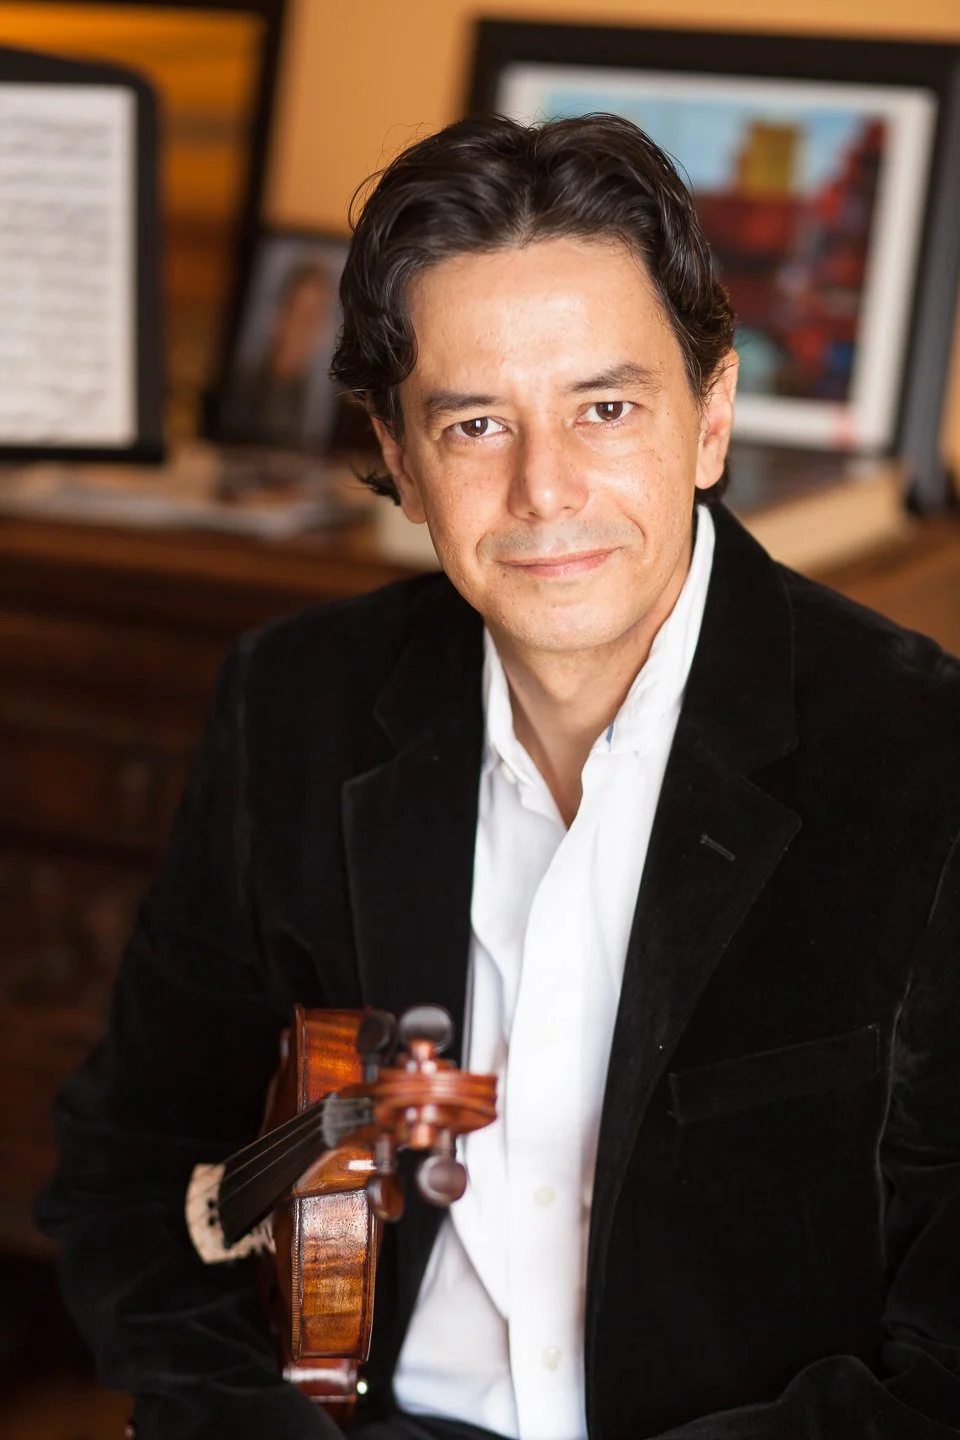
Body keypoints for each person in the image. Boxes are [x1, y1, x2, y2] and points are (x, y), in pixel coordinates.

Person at [37, 114, 960, 1440]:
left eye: (606, 408)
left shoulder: (926, 761)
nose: (545, 490)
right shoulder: (292, 704)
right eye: (476, 424)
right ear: (400, 459)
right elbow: (130, 1175)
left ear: (711, 417)